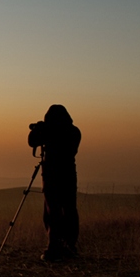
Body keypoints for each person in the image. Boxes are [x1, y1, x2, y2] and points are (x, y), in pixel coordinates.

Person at [28, 104, 81, 262]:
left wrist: (39, 129)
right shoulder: (74, 131)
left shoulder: (49, 131)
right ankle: (70, 246)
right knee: (70, 209)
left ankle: (53, 248)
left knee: (52, 211)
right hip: (69, 173)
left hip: (52, 174)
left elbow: (31, 141)